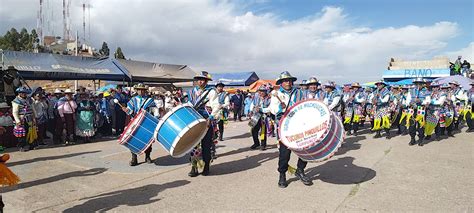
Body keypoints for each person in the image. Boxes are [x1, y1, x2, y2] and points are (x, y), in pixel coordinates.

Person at [269, 71, 312, 188]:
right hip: (285, 128)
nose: (287, 82)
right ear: (281, 83)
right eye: (285, 81)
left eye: (289, 80)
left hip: (299, 126)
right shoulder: (276, 94)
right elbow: (272, 109)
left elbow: (306, 105)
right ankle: (282, 174)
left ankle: (300, 170)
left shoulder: (299, 93)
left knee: (304, 150)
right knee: (284, 153)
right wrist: (279, 107)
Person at [187, 71, 218, 177]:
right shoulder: (191, 92)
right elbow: (189, 105)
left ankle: (206, 166)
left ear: (206, 81)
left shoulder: (211, 92)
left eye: (203, 80)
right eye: (199, 79)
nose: (200, 82)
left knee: (206, 145)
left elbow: (216, 106)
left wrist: (211, 118)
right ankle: (194, 167)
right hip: (194, 121)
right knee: (193, 144)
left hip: (206, 121)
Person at [121, 83, 158, 166]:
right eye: (139, 90)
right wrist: (127, 110)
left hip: (146, 122)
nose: (141, 91)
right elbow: (130, 111)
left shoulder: (150, 100)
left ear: (145, 91)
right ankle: (134, 158)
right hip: (135, 122)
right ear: (136, 90)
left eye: (142, 90)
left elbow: (155, 110)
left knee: (148, 140)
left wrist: (156, 117)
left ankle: (147, 156)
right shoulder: (132, 100)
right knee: (132, 140)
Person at [12, 87, 36, 151]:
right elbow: (15, 112)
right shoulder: (16, 101)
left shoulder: (29, 100)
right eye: (22, 93)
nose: (24, 94)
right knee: (22, 133)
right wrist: (18, 121)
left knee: (31, 131)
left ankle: (31, 144)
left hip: (30, 118)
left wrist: (34, 117)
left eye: (25, 93)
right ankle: (22, 146)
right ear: (19, 93)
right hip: (22, 119)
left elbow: (33, 109)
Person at [408, 78, 430, 146]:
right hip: (412, 109)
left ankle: (420, 139)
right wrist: (409, 103)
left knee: (420, 125)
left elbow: (428, 100)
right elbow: (408, 100)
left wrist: (421, 101)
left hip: (421, 109)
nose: (418, 85)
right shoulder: (411, 91)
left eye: (420, 83)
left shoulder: (426, 91)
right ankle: (412, 139)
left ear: (422, 84)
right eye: (417, 83)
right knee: (412, 124)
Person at [249, 85, 271, 150]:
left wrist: (261, 109)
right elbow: (252, 104)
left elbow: (270, 108)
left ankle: (263, 145)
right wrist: (251, 111)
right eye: (260, 91)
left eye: (263, 91)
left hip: (264, 116)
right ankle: (256, 143)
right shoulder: (256, 97)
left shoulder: (269, 98)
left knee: (263, 131)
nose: (261, 92)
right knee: (253, 130)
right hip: (256, 115)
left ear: (266, 91)